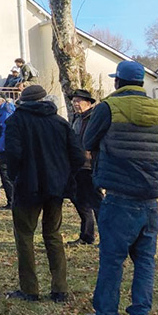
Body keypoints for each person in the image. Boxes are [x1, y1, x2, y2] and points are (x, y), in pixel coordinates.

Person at [77, 61, 158, 315]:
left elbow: (87, 141)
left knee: (112, 259)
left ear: (118, 82)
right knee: (145, 260)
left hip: (119, 193)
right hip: (150, 196)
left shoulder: (108, 107)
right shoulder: (157, 108)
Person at [4, 85, 84, 302]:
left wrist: (15, 177)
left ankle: (30, 289)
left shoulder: (15, 121)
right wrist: (64, 175)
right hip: (55, 187)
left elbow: (12, 155)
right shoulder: (60, 122)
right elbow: (77, 156)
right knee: (53, 235)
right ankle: (60, 288)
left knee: (24, 236)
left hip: (27, 187)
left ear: (23, 101)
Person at [68, 89, 102, 247]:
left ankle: (106, 237)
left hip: (90, 165)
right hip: (77, 165)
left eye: (78, 101)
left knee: (97, 203)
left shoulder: (94, 118)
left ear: (88, 103)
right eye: (74, 101)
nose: (75, 104)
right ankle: (87, 235)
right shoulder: (76, 118)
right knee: (80, 201)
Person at [0, 92, 16, 208]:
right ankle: (12, 200)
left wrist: (1, 146)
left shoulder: (5, 111)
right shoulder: (2, 111)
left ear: (1, 100)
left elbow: (5, 130)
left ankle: (12, 201)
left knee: (6, 174)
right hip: (4, 147)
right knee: (6, 174)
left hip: (6, 148)